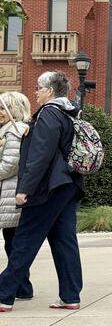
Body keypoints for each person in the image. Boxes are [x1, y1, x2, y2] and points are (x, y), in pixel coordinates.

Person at [0, 72, 84, 313]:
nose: (35, 92)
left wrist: (25, 188)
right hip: (68, 185)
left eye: (38, 88)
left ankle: (4, 295)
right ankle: (70, 295)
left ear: (49, 91)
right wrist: (31, 132)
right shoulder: (69, 112)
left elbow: (41, 155)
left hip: (47, 187)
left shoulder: (48, 113)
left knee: (25, 240)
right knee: (64, 241)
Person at [0, 92, 33, 301]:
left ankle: (18, 286)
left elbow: (10, 164)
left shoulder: (14, 131)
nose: (0, 112)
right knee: (12, 242)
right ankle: (22, 286)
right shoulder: (12, 130)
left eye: (4, 108)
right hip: (9, 195)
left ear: (14, 109)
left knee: (13, 243)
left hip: (11, 195)